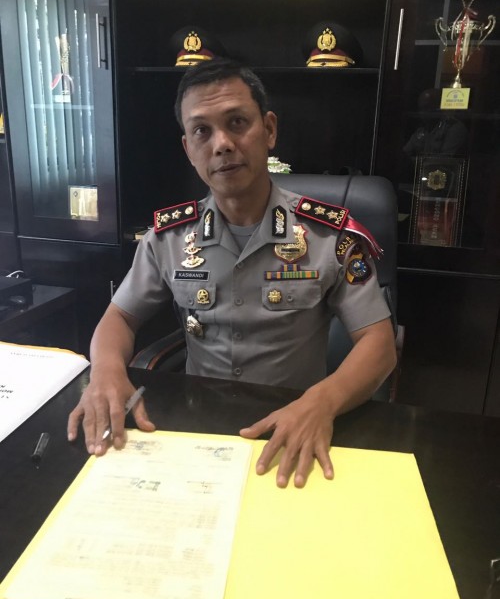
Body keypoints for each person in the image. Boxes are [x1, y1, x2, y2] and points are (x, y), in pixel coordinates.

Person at [67, 58, 396, 487]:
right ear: (188, 149)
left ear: (269, 130)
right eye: (202, 131)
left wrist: (324, 401)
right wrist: (107, 371)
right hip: (199, 432)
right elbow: (120, 317)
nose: (222, 144)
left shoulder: (327, 235)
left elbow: (379, 343)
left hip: (297, 424)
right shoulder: (169, 238)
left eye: (237, 122)